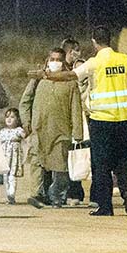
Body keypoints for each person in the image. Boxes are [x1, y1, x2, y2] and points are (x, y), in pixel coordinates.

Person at [46, 26, 127, 216]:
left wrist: (48, 75)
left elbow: (71, 75)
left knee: (101, 165)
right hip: (122, 119)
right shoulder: (125, 61)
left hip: (101, 120)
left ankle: (105, 206)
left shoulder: (93, 63)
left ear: (95, 42)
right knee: (122, 161)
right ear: (110, 40)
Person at [20, 48, 84, 209]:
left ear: (64, 63)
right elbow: (25, 101)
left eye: (58, 59)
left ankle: (56, 195)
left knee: (60, 168)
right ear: (47, 60)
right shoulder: (39, 80)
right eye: (52, 59)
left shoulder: (70, 83)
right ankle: (35, 194)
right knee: (36, 162)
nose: (55, 62)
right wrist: (26, 122)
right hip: (39, 129)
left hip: (61, 132)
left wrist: (78, 133)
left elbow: (76, 109)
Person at [0, 108, 25, 204]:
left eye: (12, 117)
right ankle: (8, 194)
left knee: (12, 175)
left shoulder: (18, 130)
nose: (9, 119)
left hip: (14, 156)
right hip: (4, 157)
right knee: (5, 176)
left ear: (17, 119)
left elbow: (25, 136)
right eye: (7, 117)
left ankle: (12, 194)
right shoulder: (2, 132)